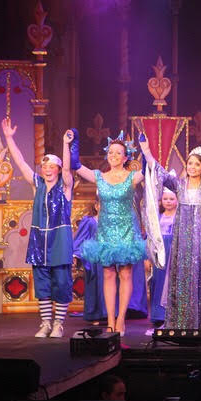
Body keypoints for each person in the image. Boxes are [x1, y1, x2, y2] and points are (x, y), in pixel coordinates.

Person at [140, 139, 201, 330]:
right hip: (183, 242)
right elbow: (159, 171)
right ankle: (182, 321)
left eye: (197, 164)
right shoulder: (179, 185)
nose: (192, 167)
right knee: (183, 278)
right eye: (190, 163)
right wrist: (147, 151)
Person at [2, 117, 74, 338]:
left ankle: (58, 324)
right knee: (42, 283)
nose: (47, 170)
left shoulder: (65, 186)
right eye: (45, 166)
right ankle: (45, 323)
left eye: (52, 166)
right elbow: (21, 162)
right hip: (39, 240)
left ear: (58, 169)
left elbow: (68, 168)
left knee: (61, 282)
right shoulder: (37, 185)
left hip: (59, 240)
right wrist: (9, 138)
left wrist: (65, 144)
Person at [74, 131, 146, 337]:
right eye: (111, 152)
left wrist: (145, 149)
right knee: (108, 274)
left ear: (125, 157)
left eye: (118, 153)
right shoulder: (100, 177)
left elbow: (150, 169)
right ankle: (111, 321)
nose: (114, 155)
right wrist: (73, 141)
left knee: (125, 274)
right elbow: (76, 165)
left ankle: (121, 320)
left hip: (126, 230)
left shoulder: (132, 177)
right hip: (105, 231)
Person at [148, 188, 176, 327]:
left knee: (172, 281)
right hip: (160, 252)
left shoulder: (180, 217)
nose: (168, 202)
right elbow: (152, 237)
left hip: (174, 250)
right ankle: (159, 314)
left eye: (171, 199)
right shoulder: (158, 217)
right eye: (165, 199)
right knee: (158, 281)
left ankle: (173, 313)